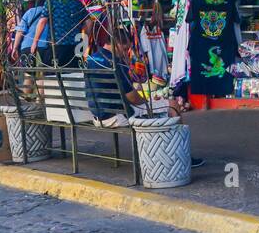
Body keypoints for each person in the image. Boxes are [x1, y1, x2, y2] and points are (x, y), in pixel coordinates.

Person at [84, 27, 203, 166]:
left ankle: (166, 153)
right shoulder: (114, 63)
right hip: (118, 116)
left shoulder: (92, 59)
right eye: (125, 48)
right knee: (172, 105)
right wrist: (148, 102)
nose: (126, 53)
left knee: (160, 108)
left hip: (99, 115)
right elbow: (132, 98)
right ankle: (183, 156)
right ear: (118, 44)